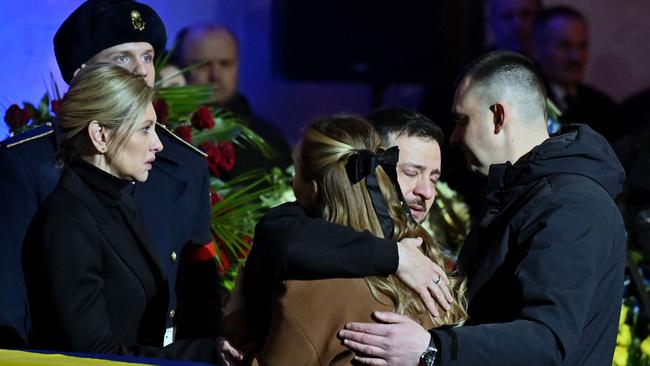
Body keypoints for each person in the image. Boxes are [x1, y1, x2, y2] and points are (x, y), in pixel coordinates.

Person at [338, 51, 626, 365]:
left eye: (462, 120)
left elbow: (547, 342)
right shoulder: (522, 197)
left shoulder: (571, 205)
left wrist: (432, 348)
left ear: (499, 116)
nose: (455, 138)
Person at [0, 0, 220, 348]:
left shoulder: (185, 165)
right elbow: (9, 310)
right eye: (121, 58)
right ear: (80, 73)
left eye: (147, 57)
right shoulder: (27, 167)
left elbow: (200, 298)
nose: (140, 72)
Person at [227, 114, 466, 364]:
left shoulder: (310, 289)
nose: (426, 191)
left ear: (313, 188)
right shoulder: (434, 277)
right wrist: (397, 256)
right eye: (410, 172)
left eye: (434, 179)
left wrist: (236, 324)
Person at [174, 24, 292, 176]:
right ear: (179, 67)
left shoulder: (268, 140)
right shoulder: (163, 135)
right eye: (202, 65)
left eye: (225, 64)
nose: (215, 75)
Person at [531, 5, 621, 142]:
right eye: (564, 46)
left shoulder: (603, 109)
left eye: (582, 46)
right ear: (538, 49)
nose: (576, 57)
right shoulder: (525, 103)